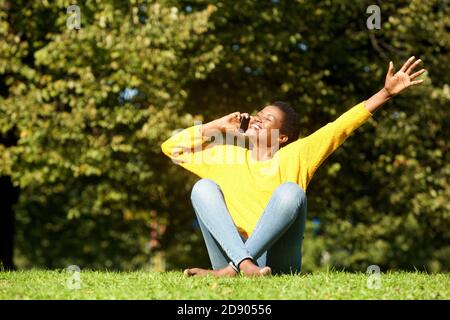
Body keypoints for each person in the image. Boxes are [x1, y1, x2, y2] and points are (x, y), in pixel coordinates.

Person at [161, 57, 426, 277]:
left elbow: (340, 128)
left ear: (282, 137)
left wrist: (386, 93)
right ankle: (240, 266)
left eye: (268, 119)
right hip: (232, 251)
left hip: (276, 263)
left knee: (292, 193)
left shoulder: (297, 155)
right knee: (202, 188)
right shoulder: (225, 155)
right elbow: (172, 148)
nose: (257, 119)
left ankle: (235, 270)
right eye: (259, 114)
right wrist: (216, 126)